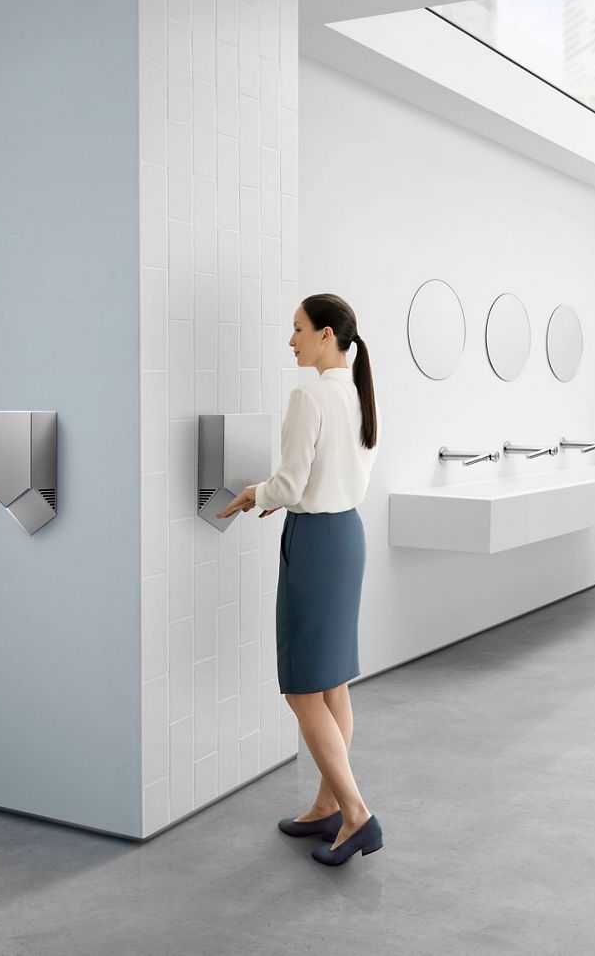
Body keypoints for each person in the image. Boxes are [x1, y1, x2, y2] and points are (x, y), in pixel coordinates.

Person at [215, 293, 382, 865]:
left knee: (301, 687)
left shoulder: (307, 395)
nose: (291, 341)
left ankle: (356, 813)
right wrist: (281, 491)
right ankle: (326, 807)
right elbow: (328, 474)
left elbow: (289, 486)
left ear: (326, 335)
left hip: (313, 543)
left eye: (297, 330)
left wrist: (252, 495)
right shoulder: (359, 395)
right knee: (332, 684)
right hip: (347, 536)